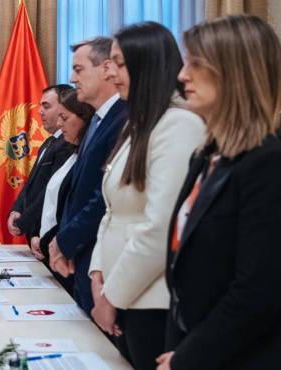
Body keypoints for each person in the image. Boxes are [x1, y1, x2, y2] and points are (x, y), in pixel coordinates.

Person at [157, 15, 281, 370]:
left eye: (196, 63)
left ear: (235, 73)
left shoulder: (274, 164)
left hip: (251, 358)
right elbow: (185, 269)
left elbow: (258, 292)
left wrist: (187, 358)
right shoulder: (207, 156)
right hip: (198, 348)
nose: (182, 75)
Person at [85, 22, 205, 370]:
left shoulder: (179, 125)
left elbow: (161, 226)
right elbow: (112, 212)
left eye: (119, 63)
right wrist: (97, 271)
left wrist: (112, 295)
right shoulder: (137, 124)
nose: (110, 72)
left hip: (150, 299)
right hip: (121, 291)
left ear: (147, 66)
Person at [48, 37, 128, 314]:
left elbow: (102, 197)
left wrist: (65, 241)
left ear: (106, 69)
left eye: (79, 69)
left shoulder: (123, 118)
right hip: (80, 257)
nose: (72, 78)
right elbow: (76, 193)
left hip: (101, 260)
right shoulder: (97, 118)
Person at [8, 84, 78, 261]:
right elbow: (31, 183)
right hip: (37, 233)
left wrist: (23, 223)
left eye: (46, 106)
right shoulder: (49, 142)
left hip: (48, 234)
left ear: (64, 108)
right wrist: (16, 209)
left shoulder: (67, 145)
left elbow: (49, 192)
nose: (39, 111)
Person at [38, 86, 94, 293]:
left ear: (84, 118)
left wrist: (55, 242)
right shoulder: (72, 153)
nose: (60, 124)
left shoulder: (85, 156)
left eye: (65, 118)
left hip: (72, 254)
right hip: (54, 249)